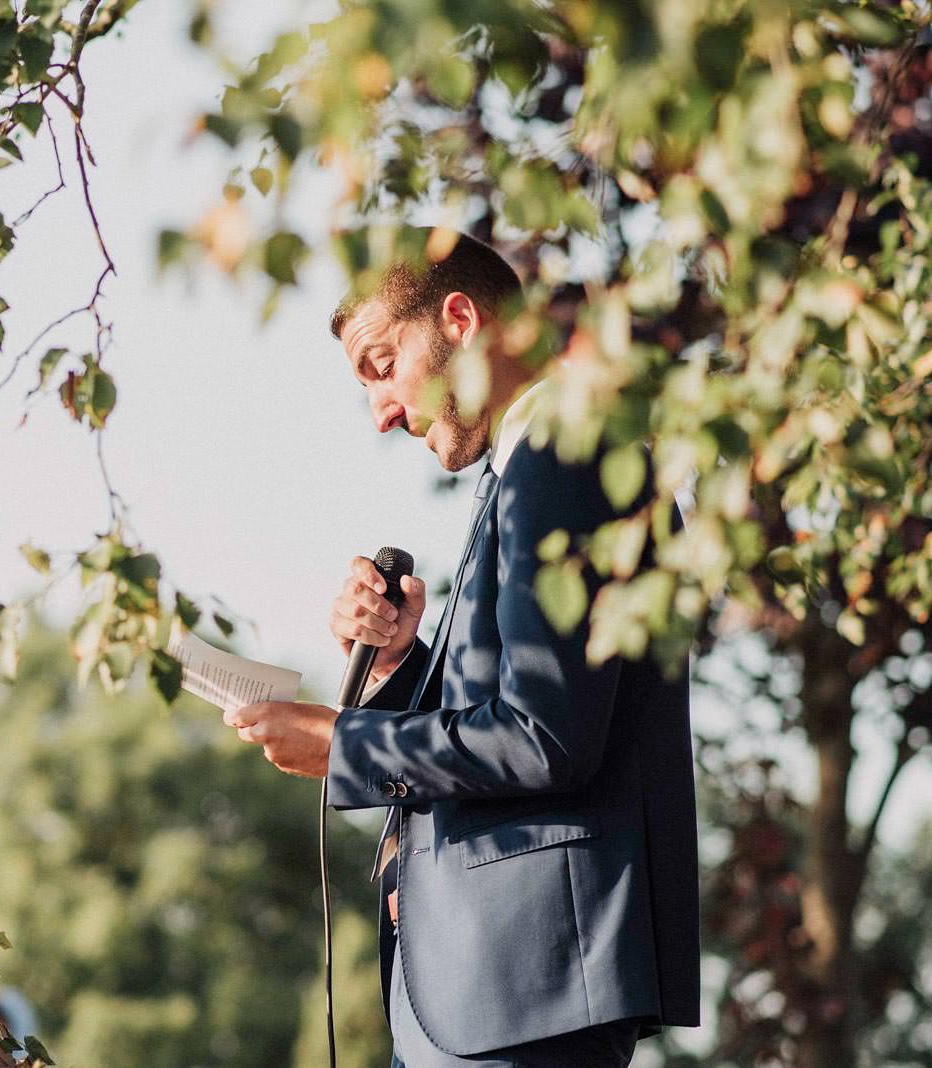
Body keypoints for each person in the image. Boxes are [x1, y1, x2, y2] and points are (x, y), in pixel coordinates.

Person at [222, 229, 700, 1066]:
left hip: (524, 985)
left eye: (380, 364)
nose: (379, 412)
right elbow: (518, 716)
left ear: (458, 320)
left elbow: (543, 739)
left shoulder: (565, 456)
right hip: (490, 990)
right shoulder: (530, 468)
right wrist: (404, 664)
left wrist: (343, 743)